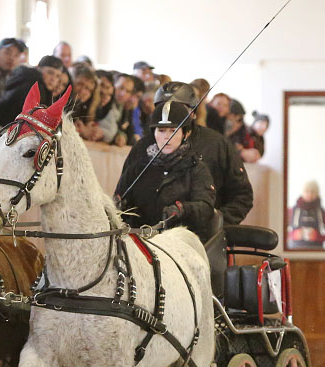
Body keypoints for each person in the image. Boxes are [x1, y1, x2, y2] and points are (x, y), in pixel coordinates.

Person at [118, 82, 254, 226]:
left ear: (193, 112)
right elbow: (123, 197)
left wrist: (216, 223)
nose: (170, 113)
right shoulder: (142, 148)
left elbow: (242, 195)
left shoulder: (217, 144)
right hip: (144, 235)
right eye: (163, 108)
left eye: (178, 108)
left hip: (197, 237)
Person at [115, 101, 216, 242]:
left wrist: (183, 209)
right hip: (138, 241)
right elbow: (119, 199)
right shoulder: (138, 168)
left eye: (173, 131)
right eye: (161, 131)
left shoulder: (197, 169)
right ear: (154, 133)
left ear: (185, 134)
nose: (166, 137)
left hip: (179, 243)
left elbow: (206, 209)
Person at [0, 54, 66, 127]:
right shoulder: (33, 86)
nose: (53, 79)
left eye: (57, 76)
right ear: (38, 69)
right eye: (50, 73)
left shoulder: (33, 82)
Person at [286, 180, 325, 249]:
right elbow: (281, 233)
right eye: (307, 191)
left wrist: (317, 236)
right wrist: (294, 234)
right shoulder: (292, 210)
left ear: (317, 194)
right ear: (302, 192)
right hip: (294, 251)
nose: (309, 194)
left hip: (316, 252)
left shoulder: (322, 212)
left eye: (313, 192)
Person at [70, 65, 101, 142]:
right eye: (80, 84)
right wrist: (82, 131)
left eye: (88, 89)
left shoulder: (88, 106)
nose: (83, 91)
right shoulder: (63, 100)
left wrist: (96, 132)